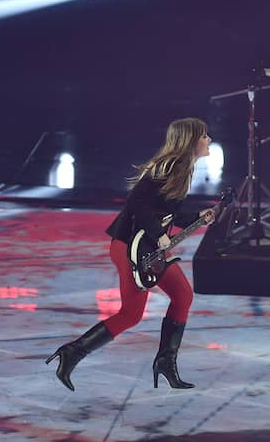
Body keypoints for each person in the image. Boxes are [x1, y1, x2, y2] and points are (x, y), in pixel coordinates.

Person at [46, 118, 216, 391]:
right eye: (205, 135)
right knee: (132, 314)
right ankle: (72, 353)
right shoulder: (168, 166)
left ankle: (165, 362)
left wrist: (197, 217)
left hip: (148, 246)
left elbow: (165, 212)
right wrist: (158, 233)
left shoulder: (181, 168)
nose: (209, 140)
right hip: (129, 246)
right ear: (191, 139)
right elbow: (137, 203)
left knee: (182, 295)